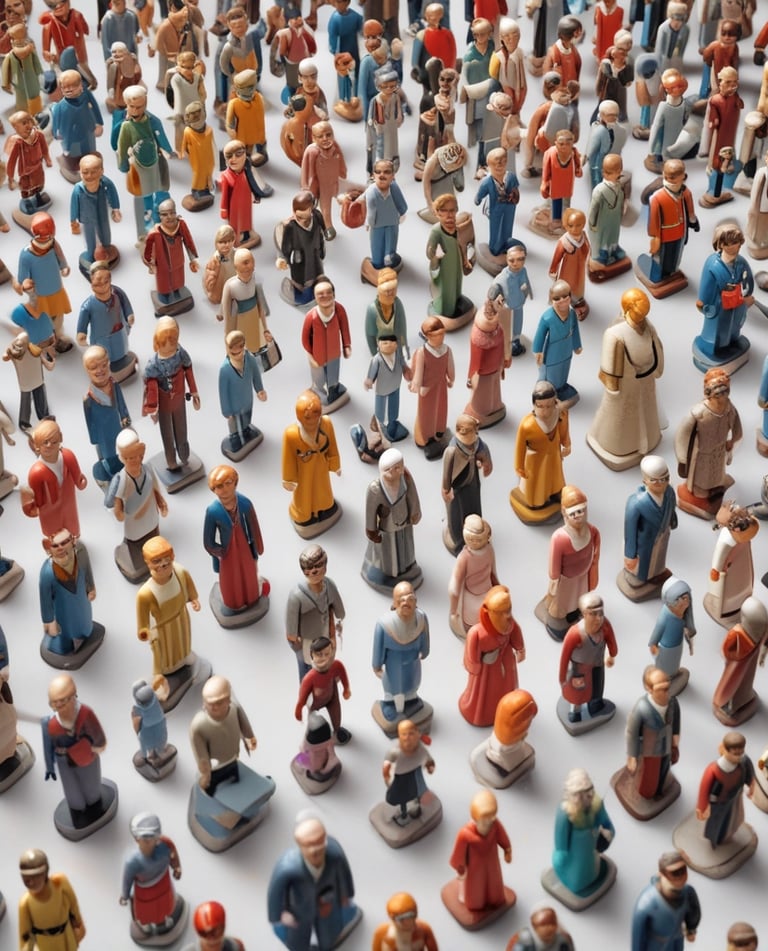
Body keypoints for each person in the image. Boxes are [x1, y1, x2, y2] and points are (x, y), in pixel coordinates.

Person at [587, 287, 664, 469]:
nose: (642, 315)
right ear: (628, 308)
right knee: (620, 419)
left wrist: (656, 370)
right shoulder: (615, 333)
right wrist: (613, 389)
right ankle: (617, 446)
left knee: (647, 412)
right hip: (625, 385)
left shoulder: (647, 326)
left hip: (646, 382)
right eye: (638, 310)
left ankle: (649, 440)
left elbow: (657, 348)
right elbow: (609, 365)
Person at [268, 815, 360, 950]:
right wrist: (279, 915)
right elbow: (275, 892)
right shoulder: (287, 867)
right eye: (309, 845)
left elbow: (343, 873)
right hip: (299, 909)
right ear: (300, 845)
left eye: (319, 844)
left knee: (329, 930)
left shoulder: (334, 855)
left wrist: (346, 894)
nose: (315, 851)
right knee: (298, 937)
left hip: (329, 902)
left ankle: (328, 941)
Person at [42, 673, 109, 824]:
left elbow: (96, 732)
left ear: (73, 697)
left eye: (63, 702)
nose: (60, 707)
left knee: (91, 788)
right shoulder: (50, 723)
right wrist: (49, 766)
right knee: (72, 793)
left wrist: (97, 747)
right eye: (55, 704)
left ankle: (95, 807)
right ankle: (78, 812)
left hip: (86, 756)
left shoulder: (85, 713)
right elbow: (49, 745)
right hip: (63, 760)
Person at [674, 367, 742, 518]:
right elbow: (682, 434)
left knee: (717, 474)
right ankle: (700, 494)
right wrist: (682, 458)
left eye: (725, 390)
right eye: (717, 391)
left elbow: (737, 428)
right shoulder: (699, 413)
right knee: (701, 478)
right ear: (708, 392)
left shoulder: (729, 410)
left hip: (719, 451)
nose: (721, 395)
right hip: (702, 454)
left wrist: (733, 440)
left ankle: (716, 488)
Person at [204, 465, 268, 617]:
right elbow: (208, 539)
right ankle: (234, 603)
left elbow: (254, 525)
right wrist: (219, 552)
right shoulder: (213, 511)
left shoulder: (245, 503)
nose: (225, 489)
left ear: (235, 483)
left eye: (228, 483)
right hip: (227, 552)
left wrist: (258, 546)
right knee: (230, 578)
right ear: (213, 489)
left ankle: (251, 597)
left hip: (245, 545)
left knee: (249, 571)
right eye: (219, 486)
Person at [459, 584, 525, 727]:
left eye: (509, 610)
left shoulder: (509, 623)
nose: (507, 615)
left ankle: (506, 709)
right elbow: (471, 656)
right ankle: (484, 714)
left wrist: (520, 649)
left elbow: (515, 633)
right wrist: (476, 667)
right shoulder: (477, 633)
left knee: (506, 687)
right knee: (484, 693)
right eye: (502, 612)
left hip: (506, 661)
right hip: (486, 670)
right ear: (490, 612)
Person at [136, 535, 200, 682]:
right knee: (166, 651)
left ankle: (185, 655)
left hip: (181, 616)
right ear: (148, 563)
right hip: (162, 628)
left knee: (184, 638)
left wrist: (193, 598)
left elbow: (188, 584)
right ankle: (167, 668)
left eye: (166, 558)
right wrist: (145, 632)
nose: (163, 565)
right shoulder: (145, 593)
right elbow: (142, 621)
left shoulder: (179, 572)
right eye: (156, 561)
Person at [141, 316, 201, 473]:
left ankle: (184, 455)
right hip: (164, 404)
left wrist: (194, 391)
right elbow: (150, 386)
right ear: (157, 343)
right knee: (167, 434)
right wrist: (152, 407)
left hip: (179, 399)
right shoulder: (153, 365)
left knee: (182, 429)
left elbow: (188, 369)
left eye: (173, 342)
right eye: (164, 344)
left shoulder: (181, 353)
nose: (169, 347)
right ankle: (171, 461)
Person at [543, 485, 601, 640]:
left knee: (579, 596)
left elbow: (595, 551)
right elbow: (554, 563)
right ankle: (560, 619)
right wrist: (554, 580)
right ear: (565, 514)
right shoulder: (559, 538)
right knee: (563, 601)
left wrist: (593, 570)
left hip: (583, 576)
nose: (577, 516)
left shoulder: (592, 530)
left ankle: (576, 611)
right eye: (573, 513)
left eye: (581, 511)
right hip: (565, 580)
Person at [693, 225, 754, 371]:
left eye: (737, 242)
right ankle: (714, 350)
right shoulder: (713, 264)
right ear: (721, 244)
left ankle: (732, 343)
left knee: (735, 326)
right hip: (718, 304)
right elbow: (706, 285)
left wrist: (747, 295)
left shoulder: (741, 263)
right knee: (717, 331)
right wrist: (703, 302)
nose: (735, 246)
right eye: (730, 243)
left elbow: (748, 280)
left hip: (737, 303)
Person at [110, 429, 168, 580]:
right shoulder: (121, 479)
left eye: (138, 456)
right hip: (133, 521)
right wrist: (118, 511)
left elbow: (155, 487)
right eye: (130, 458)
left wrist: (161, 502)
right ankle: (139, 562)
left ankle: (156, 555)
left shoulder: (147, 469)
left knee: (154, 536)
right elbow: (116, 501)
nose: (135, 460)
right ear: (122, 458)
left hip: (151, 514)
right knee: (136, 545)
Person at [281, 390, 342, 533]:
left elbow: (332, 444)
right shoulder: (291, 434)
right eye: (308, 418)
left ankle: (324, 508)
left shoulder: (326, 423)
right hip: (303, 470)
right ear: (300, 417)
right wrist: (289, 479)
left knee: (322, 489)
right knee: (305, 493)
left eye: (316, 416)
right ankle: (305, 516)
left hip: (320, 464)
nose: (313, 422)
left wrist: (335, 464)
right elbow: (288, 458)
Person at [363, 447, 422, 591]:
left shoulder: (405, 478)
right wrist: (371, 530)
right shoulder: (375, 488)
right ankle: (391, 573)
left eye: (397, 467)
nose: (394, 471)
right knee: (389, 551)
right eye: (389, 469)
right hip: (388, 525)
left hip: (405, 521)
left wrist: (415, 512)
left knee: (406, 545)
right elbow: (370, 511)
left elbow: (412, 494)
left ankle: (407, 567)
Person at [446, 789, 512, 916]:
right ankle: (476, 905)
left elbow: (502, 837)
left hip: (492, 863)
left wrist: (507, 850)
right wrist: (460, 867)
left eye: (491, 817)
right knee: (476, 887)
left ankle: (495, 900)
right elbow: (458, 852)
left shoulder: (495, 825)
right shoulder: (465, 834)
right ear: (476, 817)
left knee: (494, 884)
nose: (489, 822)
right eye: (485, 819)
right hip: (475, 867)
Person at [636, 157, 699, 291]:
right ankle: (657, 276)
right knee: (660, 257)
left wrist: (693, 221)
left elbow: (690, 209)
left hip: (680, 232)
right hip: (663, 234)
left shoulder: (685, 192)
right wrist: (654, 236)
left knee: (675, 256)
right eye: (669, 175)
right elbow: (654, 220)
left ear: (683, 176)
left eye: (675, 176)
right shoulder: (657, 197)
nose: (671, 178)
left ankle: (672, 272)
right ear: (664, 174)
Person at [511, 380, 571, 519]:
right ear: (534, 405)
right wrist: (519, 466)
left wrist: (566, 444)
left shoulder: (560, 414)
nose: (545, 411)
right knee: (537, 482)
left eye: (549, 406)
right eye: (541, 406)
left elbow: (563, 430)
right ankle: (537, 501)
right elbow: (519, 447)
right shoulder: (527, 425)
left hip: (554, 455)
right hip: (535, 460)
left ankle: (556, 493)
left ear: (555, 403)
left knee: (555, 477)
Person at [551, 767, 615, 897]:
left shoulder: (596, 804)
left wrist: (608, 834)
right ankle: (577, 883)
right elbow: (561, 841)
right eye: (582, 793)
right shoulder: (565, 813)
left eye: (589, 791)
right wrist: (560, 857)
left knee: (591, 868)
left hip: (592, 851)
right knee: (577, 875)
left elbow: (608, 824)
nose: (588, 796)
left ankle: (591, 877)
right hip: (574, 855)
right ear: (573, 795)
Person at [372, 581, 430, 722]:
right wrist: (377, 665)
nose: (406, 603)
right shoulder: (384, 625)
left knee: (412, 684)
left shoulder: (421, 619)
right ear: (395, 603)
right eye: (401, 600)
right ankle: (389, 704)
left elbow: (425, 638)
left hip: (413, 660)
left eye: (410, 599)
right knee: (393, 686)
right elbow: (378, 648)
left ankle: (411, 701)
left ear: (416, 601)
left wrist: (425, 650)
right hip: (393, 662)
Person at [190, 675, 258, 794]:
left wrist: (249, 737)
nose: (214, 707)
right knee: (212, 786)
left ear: (228, 699)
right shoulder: (199, 725)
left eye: (219, 702)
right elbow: (200, 751)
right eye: (210, 703)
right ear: (204, 703)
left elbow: (243, 723)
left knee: (234, 775)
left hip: (233, 756)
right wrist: (205, 772)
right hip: (215, 766)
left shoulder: (234, 709)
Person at [621, 455, 678, 598]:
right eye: (654, 480)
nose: (660, 483)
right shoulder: (636, 503)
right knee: (643, 566)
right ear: (645, 481)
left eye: (664, 479)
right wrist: (630, 555)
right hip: (644, 543)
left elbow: (671, 508)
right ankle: (642, 578)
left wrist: (672, 520)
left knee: (658, 560)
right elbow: (630, 531)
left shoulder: (670, 493)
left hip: (663, 535)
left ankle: (656, 574)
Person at [120, 812, 183, 938]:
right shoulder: (132, 862)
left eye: (153, 838)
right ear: (137, 839)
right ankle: (145, 924)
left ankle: (164, 920)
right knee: (146, 911)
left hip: (164, 883)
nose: (150, 842)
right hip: (145, 891)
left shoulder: (165, 845)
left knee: (165, 905)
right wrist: (125, 895)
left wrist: (176, 867)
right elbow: (127, 879)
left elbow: (173, 855)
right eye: (145, 839)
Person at [39, 528, 99, 659]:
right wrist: (49, 622)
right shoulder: (47, 572)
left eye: (64, 542)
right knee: (65, 632)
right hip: (62, 608)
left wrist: (91, 587)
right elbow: (45, 600)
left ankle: (86, 632)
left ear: (72, 541)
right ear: (48, 548)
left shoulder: (81, 552)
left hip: (82, 600)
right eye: (55, 545)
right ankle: (64, 645)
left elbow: (87, 569)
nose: (60, 548)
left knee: (85, 623)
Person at [559, 592, 617, 724]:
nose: (598, 618)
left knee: (598, 687)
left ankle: (595, 705)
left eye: (600, 613)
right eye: (593, 614)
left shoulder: (605, 625)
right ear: (584, 614)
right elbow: (564, 656)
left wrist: (612, 654)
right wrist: (562, 677)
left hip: (597, 664)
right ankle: (575, 711)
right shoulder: (575, 634)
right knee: (578, 693)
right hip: (579, 669)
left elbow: (611, 640)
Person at [624, 666, 681, 801]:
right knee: (648, 775)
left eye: (668, 686)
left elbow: (676, 723)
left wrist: (675, 742)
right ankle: (648, 792)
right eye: (661, 689)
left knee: (664, 769)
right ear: (649, 688)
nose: (667, 692)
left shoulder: (673, 702)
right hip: (649, 750)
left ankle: (660, 789)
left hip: (666, 746)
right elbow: (632, 732)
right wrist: (632, 756)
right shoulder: (641, 707)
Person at [22, 419, 87, 537]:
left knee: (73, 532)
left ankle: (74, 544)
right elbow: (38, 502)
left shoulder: (68, 456)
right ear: (36, 446)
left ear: (61, 438)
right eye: (45, 442)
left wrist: (82, 481)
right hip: (50, 514)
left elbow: (79, 480)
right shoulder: (36, 473)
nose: (49, 446)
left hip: (69, 506)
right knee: (56, 538)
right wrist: (30, 506)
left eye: (54, 441)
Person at [441, 414, 492, 555]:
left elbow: (483, 450)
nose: (474, 436)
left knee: (474, 505)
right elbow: (447, 471)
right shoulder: (452, 450)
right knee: (456, 511)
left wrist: (487, 463)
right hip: (456, 484)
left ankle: (476, 530)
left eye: (475, 432)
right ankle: (458, 538)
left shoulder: (476, 442)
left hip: (472, 479)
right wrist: (446, 488)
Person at [76, 262, 136, 381]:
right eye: (98, 283)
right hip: (100, 337)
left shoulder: (117, 293)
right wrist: (81, 333)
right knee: (103, 355)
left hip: (119, 331)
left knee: (120, 349)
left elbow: (125, 304)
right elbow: (83, 320)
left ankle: (122, 363)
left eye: (106, 281)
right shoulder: (88, 305)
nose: (103, 285)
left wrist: (130, 315)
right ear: (92, 284)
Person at [713, 597, 768, 724]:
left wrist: (762, 655)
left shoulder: (760, 634)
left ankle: (740, 701)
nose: (759, 629)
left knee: (744, 684)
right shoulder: (738, 634)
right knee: (732, 686)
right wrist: (731, 660)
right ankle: (729, 705)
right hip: (736, 667)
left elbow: (765, 642)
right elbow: (725, 651)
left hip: (749, 664)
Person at [696, 731, 756, 848]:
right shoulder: (714, 769)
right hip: (718, 803)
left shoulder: (744, 761)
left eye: (741, 753)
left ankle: (727, 835)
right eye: (735, 754)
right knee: (716, 823)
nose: (738, 756)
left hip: (735, 798)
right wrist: (702, 807)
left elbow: (751, 775)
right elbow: (704, 789)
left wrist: (752, 788)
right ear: (725, 750)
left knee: (732, 819)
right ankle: (714, 840)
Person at [19, 848, 86, 951]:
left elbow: (73, 905)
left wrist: (78, 923)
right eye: (27, 878)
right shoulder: (26, 903)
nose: (31, 883)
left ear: (45, 873)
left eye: (35, 876)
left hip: (66, 937)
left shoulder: (60, 883)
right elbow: (25, 937)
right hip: (45, 944)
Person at [82, 344, 130, 485]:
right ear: (87, 371)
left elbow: (121, 403)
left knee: (123, 449)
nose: (100, 370)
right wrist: (94, 438)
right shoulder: (89, 398)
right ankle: (115, 479)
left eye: (104, 365)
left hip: (117, 426)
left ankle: (126, 473)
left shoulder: (114, 385)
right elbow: (89, 420)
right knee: (108, 455)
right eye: (94, 367)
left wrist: (125, 417)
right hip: (102, 433)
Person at [631, 852, 700, 951]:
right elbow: (638, 932)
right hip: (655, 943)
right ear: (661, 875)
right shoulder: (647, 902)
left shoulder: (688, 892)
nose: (680, 877)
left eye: (682, 871)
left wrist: (691, 929)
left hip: (677, 938)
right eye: (675, 873)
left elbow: (693, 911)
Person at [142, 198, 199, 313]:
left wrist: (192, 260)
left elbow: (188, 242)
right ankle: (165, 294)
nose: (169, 217)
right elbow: (148, 250)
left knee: (178, 280)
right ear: (160, 216)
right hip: (162, 264)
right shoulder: (154, 233)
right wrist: (150, 264)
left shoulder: (181, 225)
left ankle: (177, 291)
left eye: (172, 213)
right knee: (164, 284)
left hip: (178, 261)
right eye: (165, 214)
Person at [301, 279, 352, 407]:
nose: (325, 296)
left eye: (329, 292)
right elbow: (305, 338)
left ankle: (334, 388)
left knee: (333, 373)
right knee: (319, 377)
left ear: (334, 294)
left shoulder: (339, 310)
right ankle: (319, 392)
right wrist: (310, 355)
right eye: (320, 294)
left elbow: (345, 328)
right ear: (315, 297)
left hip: (334, 352)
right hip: (318, 354)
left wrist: (347, 345)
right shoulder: (311, 316)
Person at [409, 316, 454, 454]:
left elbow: (450, 365)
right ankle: (426, 437)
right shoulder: (423, 352)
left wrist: (451, 378)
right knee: (427, 413)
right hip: (427, 388)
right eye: (436, 335)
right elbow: (418, 371)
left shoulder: (446, 350)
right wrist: (416, 384)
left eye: (442, 334)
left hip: (441, 385)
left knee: (441, 408)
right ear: (427, 336)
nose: (441, 337)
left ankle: (439, 431)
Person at [532, 280, 582, 404]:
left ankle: (562, 387)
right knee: (551, 374)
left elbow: (575, 330)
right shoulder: (547, 317)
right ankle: (549, 391)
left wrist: (577, 345)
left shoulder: (572, 314)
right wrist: (538, 351)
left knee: (564, 369)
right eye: (557, 298)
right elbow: (540, 335)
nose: (562, 301)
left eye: (566, 297)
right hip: (552, 352)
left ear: (570, 296)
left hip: (566, 349)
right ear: (551, 299)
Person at [218, 330, 267, 455]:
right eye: (234, 352)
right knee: (234, 423)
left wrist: (259, 389)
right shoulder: (225, 369)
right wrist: (226, 411)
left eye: (240, 350)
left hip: (247, 399)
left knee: (246, 416)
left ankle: (246, 430)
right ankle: (235, 437)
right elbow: (223, 392)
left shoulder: (249, 359)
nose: (239, 354)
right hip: (233, 405)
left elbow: (256, 374)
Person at [448, 515, 499, 636]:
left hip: (487, 589)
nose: (475, 543)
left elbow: (493, 572)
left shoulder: (489, 550)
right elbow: (454, 587)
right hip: (470, 593)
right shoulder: (464, 557)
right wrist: (454, 610)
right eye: (471, 539)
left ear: (486, 537)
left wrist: (498, 588)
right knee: (473, 615)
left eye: (478, 540)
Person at [295, 635, 351, 743]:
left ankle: (337, 730)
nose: (324, 658)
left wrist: (346, 689)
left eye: (327, 654)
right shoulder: (309, 678)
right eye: (319, 655)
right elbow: (302, 697)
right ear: (311, 655)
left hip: (331, 697)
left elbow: (342, 673)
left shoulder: (336, 665)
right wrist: (299, 709)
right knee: (313, 726)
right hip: (314, 703)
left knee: (336, 713)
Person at [69, 153, 121, 269]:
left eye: (94, 171)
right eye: (85, 172)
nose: (90, 176)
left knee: (105, 231)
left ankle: (106, 246)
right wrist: (73, 221)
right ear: (80, 172)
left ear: (102, 171)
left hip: (102, 212)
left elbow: (113, 193)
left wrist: (116, 209)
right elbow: (73, 205)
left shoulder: (105, 183)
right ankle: (91, 254)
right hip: (87, 217)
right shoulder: (78, 189)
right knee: (90, 235)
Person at [380, 719, 435, 825]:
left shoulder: (420, 749)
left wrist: (430, 766)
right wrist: (386, 775)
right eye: (404, 734)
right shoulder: (395, 752)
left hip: (413, 777)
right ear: (399, 736)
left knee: (413, 795)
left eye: (411, 733)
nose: (407, 737)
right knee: (393, 798)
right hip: (398, 779)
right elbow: (387, 764)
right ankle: (393, 813)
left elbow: (428, 759)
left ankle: (412, 809)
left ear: (417, 733)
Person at [221, 249, 272, 356]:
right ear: (236, 267)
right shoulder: (230, 285)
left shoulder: (256, 279)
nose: (248, 266)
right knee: (242, 345)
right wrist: (228, 342)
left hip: (254, 317)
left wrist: (265, 328)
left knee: (255, 343)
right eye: (244, 263)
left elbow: (260, 304)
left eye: (250, 262)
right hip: (239, 320)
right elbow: (226, 314)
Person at [372, 892, 438, 951]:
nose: (406, 923)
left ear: (415, 914)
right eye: (400, 919)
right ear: (392, 919)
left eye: (409, 916)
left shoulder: (424, 929)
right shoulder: (382, 932)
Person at [507, 907, 573, 951]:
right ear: (534, 926)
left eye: (551, 923)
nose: (548, 928)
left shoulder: (562, 940)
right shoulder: (526, 939)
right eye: (543, 924)